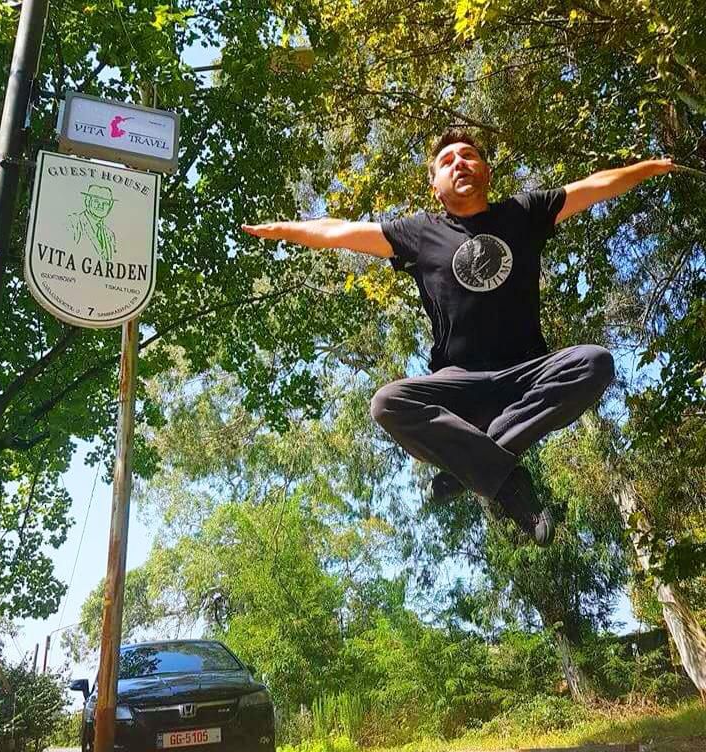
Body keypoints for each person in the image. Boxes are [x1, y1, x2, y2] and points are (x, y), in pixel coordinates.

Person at [242, 128, 675, 546]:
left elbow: (594, 186)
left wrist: (649, 167)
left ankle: (475, 464)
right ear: (435, 186)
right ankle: (506, 480)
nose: (459, 163)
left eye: (468, 156)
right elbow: (339, 232)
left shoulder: (523, 213)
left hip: (526, 376)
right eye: (447, 161)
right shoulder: (418, 234)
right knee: (388, 403)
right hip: (459, 389)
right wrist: (286, 230)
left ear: (486, 172)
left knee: (594, 362)